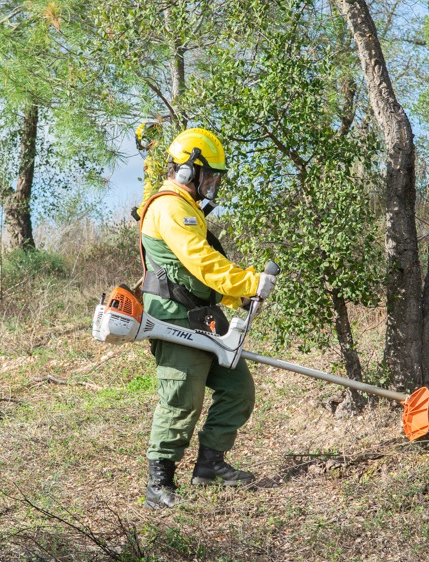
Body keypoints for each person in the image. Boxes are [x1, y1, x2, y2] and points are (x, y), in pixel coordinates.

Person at [135, 127, 276, 509]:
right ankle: (159, 483)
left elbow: (200, 273)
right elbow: (201, 262)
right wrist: (249, 281)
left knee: (238, 389)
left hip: (204, 318)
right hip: (174, 320)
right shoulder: (169, 207)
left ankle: (210, 467)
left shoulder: (187, 207)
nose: (213, 182)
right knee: (181, 399)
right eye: (209, 174)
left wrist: (238, 294)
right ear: (186, 171)